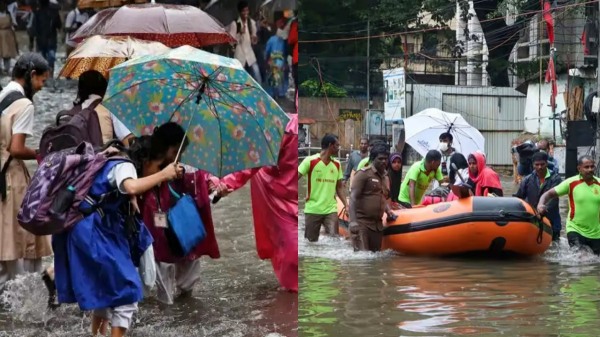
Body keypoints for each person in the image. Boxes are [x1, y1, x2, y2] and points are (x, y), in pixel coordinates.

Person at [53, 138, 184, 337]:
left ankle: (98, 335)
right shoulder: (125, 166)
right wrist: (164, 175)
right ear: (146, 161)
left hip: (80, 228)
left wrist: (130, 197)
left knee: (105, 291)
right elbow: (130, 186)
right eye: (158, 166)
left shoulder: (112, 159)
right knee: (127, 292)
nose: (159, 170)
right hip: (93, 232)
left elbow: (116, 188)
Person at [139, 123, 223, 304]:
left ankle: (182, 301)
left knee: (187, 264)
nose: (179, 154)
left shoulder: (191, 162)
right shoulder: (149, 161)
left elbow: (202, 186)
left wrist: (212, 185)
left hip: (185, 222)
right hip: (159, 223)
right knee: (163, 262)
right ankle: (167, 305)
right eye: (176, 150)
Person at [220, 113, 298, 292]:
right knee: (291, 252)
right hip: (277, 193)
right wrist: (226, 183)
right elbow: (254, 159)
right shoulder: (283, 127)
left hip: (296, 196)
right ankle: (291, 296)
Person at [0, 53, 52, 290]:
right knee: (22, 238)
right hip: (11, 176)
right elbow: (16, 148)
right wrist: (40, 154)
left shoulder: (2, 95)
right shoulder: (25, 104)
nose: (41, 87)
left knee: (4, 238)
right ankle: (22, 295)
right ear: (31, 76)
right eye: (42, 80)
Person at [538, 155, 600, 253]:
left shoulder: (599, 183)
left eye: (592, 167)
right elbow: (548, 194)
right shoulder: (571, 183)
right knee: (580, 258)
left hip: (596, 232)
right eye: (586, 167)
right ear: (579, 169)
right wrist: (541, 205)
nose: (590, 169)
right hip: (575, 229)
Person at [298, 133, 347, 241]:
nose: (339, 149)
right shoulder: (309, 161)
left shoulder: (337, 164)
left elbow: (339, 188)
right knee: (310, 242)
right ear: (330, 145)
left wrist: (346, 205)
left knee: (334, 240)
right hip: (313, 208)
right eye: (337, 146)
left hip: (331, 209)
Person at [349, 144, 395, 252]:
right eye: (380, 159)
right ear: (373, 159)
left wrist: (388, 211)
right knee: (363, 260)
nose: (384, 161)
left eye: (386, 159)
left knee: (374, 260)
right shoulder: (363, 174)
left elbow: (381, 196)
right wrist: (353, 222)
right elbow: (353, 198)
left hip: (377, 225)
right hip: (362, 224)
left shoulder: (385, 177)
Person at [74, 70, 134, 146]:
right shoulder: (111, 108)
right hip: (105, 154)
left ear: (80, 90)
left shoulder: (74, 111)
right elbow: (127, 139)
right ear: (105, 88)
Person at [514, 152, 562, 241]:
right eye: (537, 164)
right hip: (532, 220)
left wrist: (541, 211)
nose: (540, 167)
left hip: (551, 220)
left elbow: (553, 200)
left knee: (554, 247)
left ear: (547, 163)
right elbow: (519, 198)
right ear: (533, 165)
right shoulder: (527, 180)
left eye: (542, 164)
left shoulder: (555, 179)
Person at [228, 1, 262, 84]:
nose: (246, 13)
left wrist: (254, 39)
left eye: (247, 10)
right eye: (244, 11)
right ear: (240, 12)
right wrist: (239, 33)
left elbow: (254, 40)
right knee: (239, 77)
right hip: (239, 54)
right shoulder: (235, 23)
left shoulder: (251, 22)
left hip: (249, 53)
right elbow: (231, 42)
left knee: (257, 75)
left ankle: (259, 93)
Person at [0, 1, 17, 76]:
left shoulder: (9, 13)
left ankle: (7, 69)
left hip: (8, 35)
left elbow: (14, 23)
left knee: (7, 54)